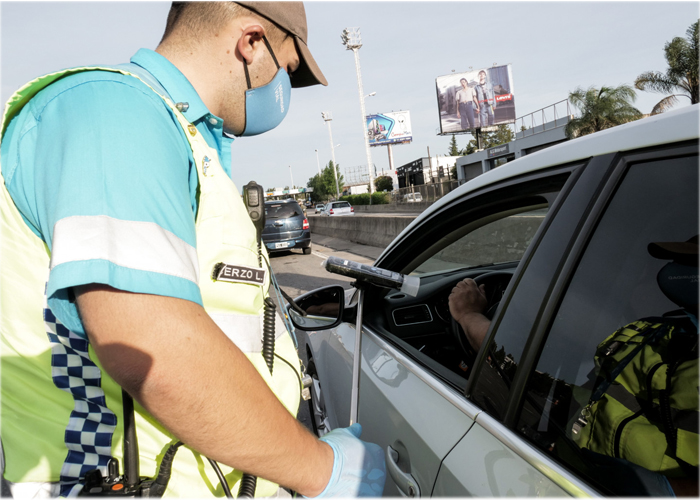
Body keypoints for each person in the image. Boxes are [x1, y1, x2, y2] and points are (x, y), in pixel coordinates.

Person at [0, 2, 385, 498]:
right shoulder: (113, 113)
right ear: (250, 43)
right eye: (288, 70)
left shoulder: (180, 138)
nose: (283, 91)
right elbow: (156, 348)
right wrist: (320, 468)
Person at [448, 237, 699, 496]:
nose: (656, 277)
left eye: (683, 265)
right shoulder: (650, 333)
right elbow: (542, 372)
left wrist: (468, 317)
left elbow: (516, 363)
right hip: (566, 458)